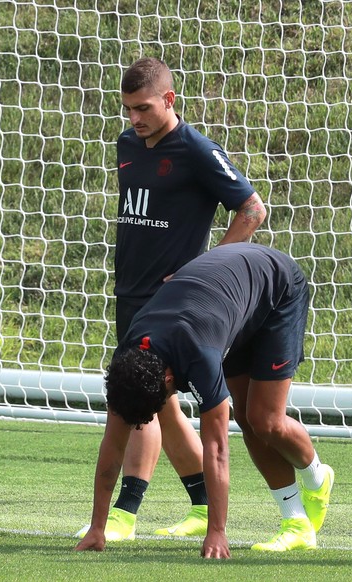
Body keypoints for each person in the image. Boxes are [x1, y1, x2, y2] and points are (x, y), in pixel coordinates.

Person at [76, 57, 268, 542]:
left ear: (169, 100)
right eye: (127, 110)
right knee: (158, 403)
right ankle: (202, 506)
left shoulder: (198, 151)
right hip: (130, 292)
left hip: (175, 304)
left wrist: (203, 272)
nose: (134, 119)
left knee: (135, 400)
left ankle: (123, 515)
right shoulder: (127, 144)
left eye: (143, 108)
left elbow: (251, 210)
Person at [76, 243, 335, 558]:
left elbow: (217, 449)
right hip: (227, 302)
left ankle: (316, 477)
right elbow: (113, 446)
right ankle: (297, 523)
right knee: (246, 416)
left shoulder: (199, 356)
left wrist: (216, 531)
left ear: (169, 380)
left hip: (276, 289)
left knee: (265, 419)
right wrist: (97, 527)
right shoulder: (127, 363)